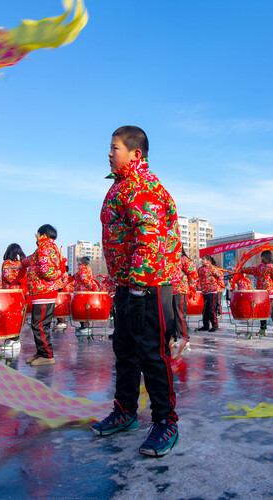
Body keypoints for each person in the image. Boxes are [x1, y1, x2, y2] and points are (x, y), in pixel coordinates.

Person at [91, 125, 180, 458]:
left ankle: (165, 422)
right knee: (125, 352)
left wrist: (140, 285)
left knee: (152, 355)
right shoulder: (121, 186)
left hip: (150, 285)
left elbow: (149, 239)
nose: (109, 153)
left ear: (135, 153)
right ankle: (125, 412)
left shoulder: (143, 187)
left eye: (114, 147)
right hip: (129, 284)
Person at [21, 224, 64, 366]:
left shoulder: (46, 248)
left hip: (44, 290)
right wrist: (19, 265)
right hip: (41, 291)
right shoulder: (42, 248)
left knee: (40, 325)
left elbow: (47, 272)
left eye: (37, 235)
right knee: (37, 324)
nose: (36, 237)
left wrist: (58, 274)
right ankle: (41, 351)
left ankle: (47, 355)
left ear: (43, 235)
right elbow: (30, 259)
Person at [243, 250, 273, 338]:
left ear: (265, 257)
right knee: (262, 312)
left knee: (272, 312)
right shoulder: (260, 267)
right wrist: (242, 269)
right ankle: (263, 329)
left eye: (262, 256)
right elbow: (251, 269)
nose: (261, 258)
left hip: (270, 294)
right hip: (261, 294)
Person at [172, 251, 198, 352]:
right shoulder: (168, 258)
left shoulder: (183, 259)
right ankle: (173, 337)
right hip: (168, 290)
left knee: (179, 315)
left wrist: (191, 288)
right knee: (170, 315)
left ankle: (184, 339)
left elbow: (192, 273)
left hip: (180, 289)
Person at [197, 255, 224, 332]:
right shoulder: (201, 269)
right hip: (204, 291)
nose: (202, 260)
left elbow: (220, 275)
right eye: (202, 259)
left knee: (211, 308)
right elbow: (197, 278)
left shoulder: (212, 268)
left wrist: (219, 284)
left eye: (204, 259)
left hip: (212, 290)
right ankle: (206, 325)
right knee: (204, 309)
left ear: (208, 260)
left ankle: (215, 325)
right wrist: (198, 286)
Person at [74, 256, 100, 332]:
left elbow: (84, 279)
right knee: (83, 309)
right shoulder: (84, 269)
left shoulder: (83, 269)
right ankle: (83, 326)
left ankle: (85, 326)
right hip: (83, 292)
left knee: (82, 309)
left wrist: (91, 286)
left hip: (83, 293)